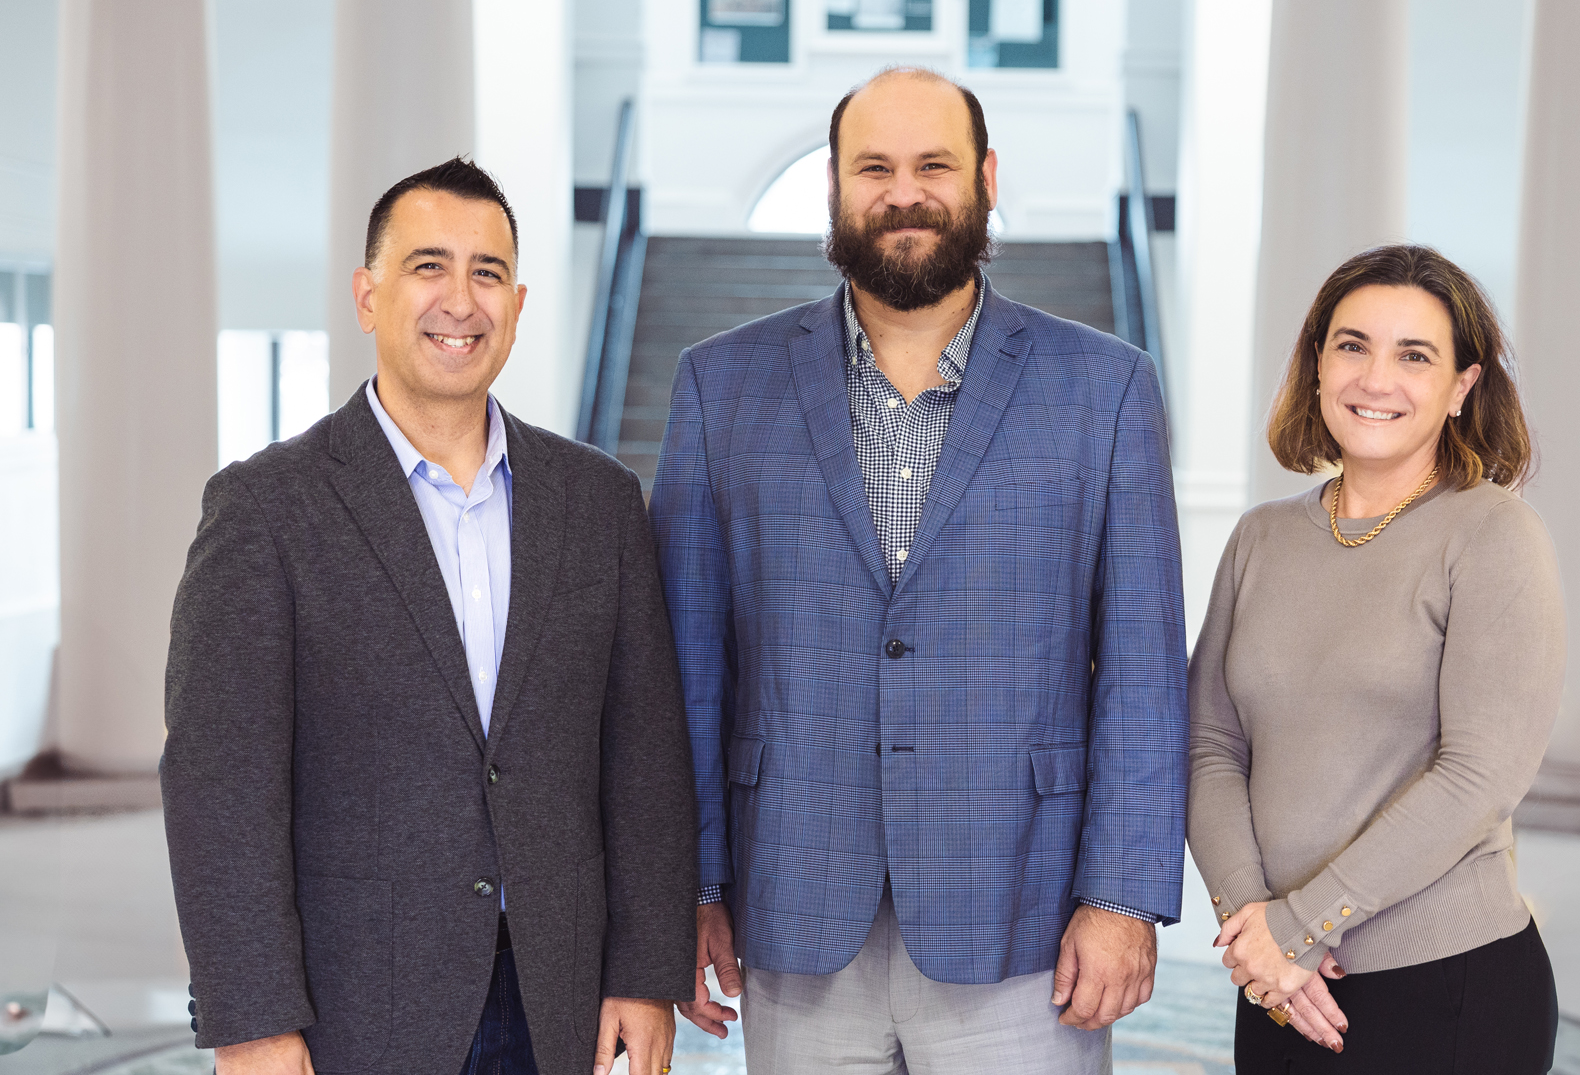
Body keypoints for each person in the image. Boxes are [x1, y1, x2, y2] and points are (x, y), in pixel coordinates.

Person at [648, 68, 1188, 1074]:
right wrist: (693, 885)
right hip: (797, 904)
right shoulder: (721, 387)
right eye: (875, 168)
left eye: (934, 165)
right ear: (835, 189)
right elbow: (689, 665)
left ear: (985, 178)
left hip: (1023, 913)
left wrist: (1121, 897)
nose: (905, 192)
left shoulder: (1105, 389)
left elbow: (1146, 668)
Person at [162, 158, 697, 1075]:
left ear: (519, 303)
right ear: (368, 296)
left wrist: (646, 974)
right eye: (428, 267)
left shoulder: (600, 503)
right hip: (352, 1011)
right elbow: (221, 789)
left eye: (487, 273)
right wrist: (253, 1021)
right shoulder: (266, 508)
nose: (461, 300)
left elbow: (643, 757)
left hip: (557, 1000)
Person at [1187, 244, 1564, 1072]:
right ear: (1317, 363)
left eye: (1414, 355)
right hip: (1281, 986)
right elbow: (1211, 745)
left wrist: (1297, 925)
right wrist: (1257, 928)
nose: (1375, 378)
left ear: (1463, 386)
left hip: (1450, 986)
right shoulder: (1261, 537)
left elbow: (1479, 775)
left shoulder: (1494, 535)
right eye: (1352, 345)